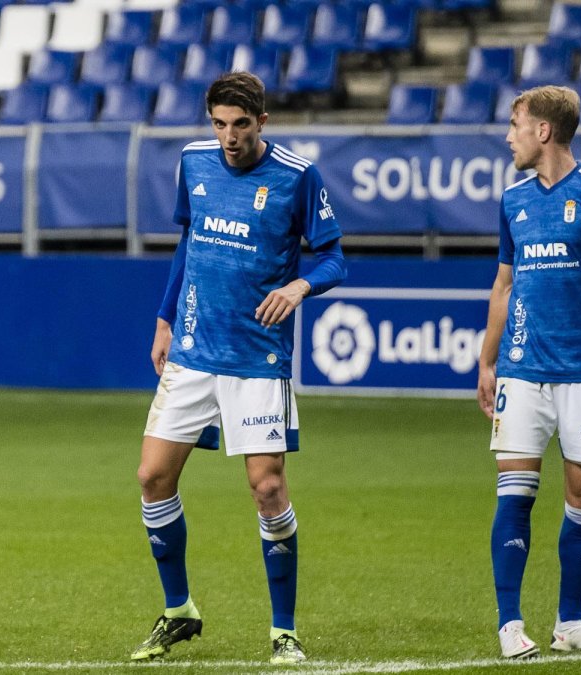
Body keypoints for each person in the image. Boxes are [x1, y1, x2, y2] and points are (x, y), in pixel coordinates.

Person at [131, 72, 347, 666]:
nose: (228, 137)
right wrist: (165, 318)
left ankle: (284, 630)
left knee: (267, 487)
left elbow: (333, 257)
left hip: (258, 356)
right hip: (194, 348)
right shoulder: (194, 162)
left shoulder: (298, 178)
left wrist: (301, 284)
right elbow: (188, 239)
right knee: (152, 476)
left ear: (263, 123)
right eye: (219, 124)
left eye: (240, 125)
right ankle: (179, 611)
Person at [477, 85, 581, 660]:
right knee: (514, 494)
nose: (508, 136)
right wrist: (487, 359)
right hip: (523, 371)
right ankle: (509, 624)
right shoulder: (512, 201)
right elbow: (503, 285)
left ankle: (570, 622)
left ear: (543, 131)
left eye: (515, 124)